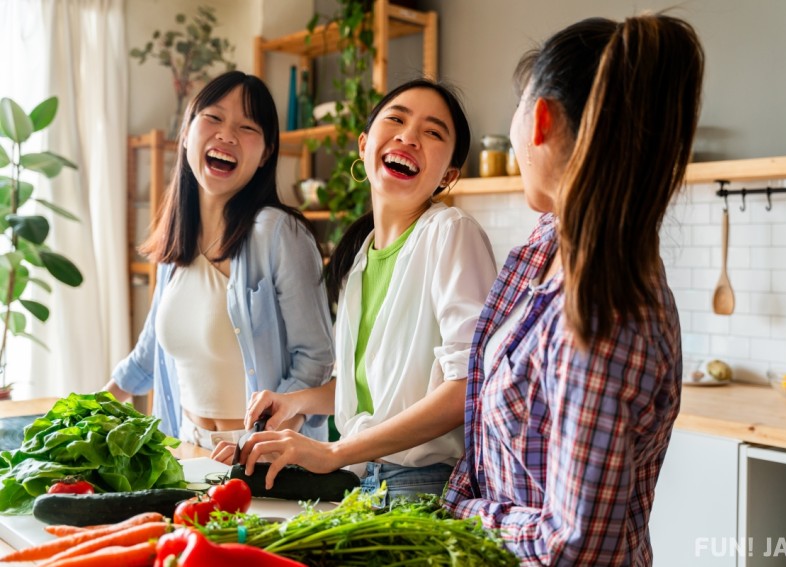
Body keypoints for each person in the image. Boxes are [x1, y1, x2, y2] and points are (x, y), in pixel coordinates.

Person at [442, 14, 704, 565]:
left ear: (538, 119)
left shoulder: (604, 309)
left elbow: (575, 545)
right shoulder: (550, 247)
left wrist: (464, 512)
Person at [212, 79, 498, 500]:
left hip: (423, 484)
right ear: (364, 145)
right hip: (363, 480)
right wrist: (298, 402)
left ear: (448, 176)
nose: (408, 136)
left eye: (433, 132)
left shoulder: (451, 233)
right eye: (396, 119)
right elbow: (373, 392)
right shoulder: (361, 256)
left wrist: (333, 450)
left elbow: (467, 387)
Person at [105, 71, 335, 450]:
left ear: (266, 154)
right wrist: (87, 413)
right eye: (213, 118)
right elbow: (148, 355)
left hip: (263, 454)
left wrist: (258, 439)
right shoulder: (177, 242)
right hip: (188, 445)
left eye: (247, 127)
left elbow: (316, 357)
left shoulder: (278, 233)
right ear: (186, 133)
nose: (226, 135)